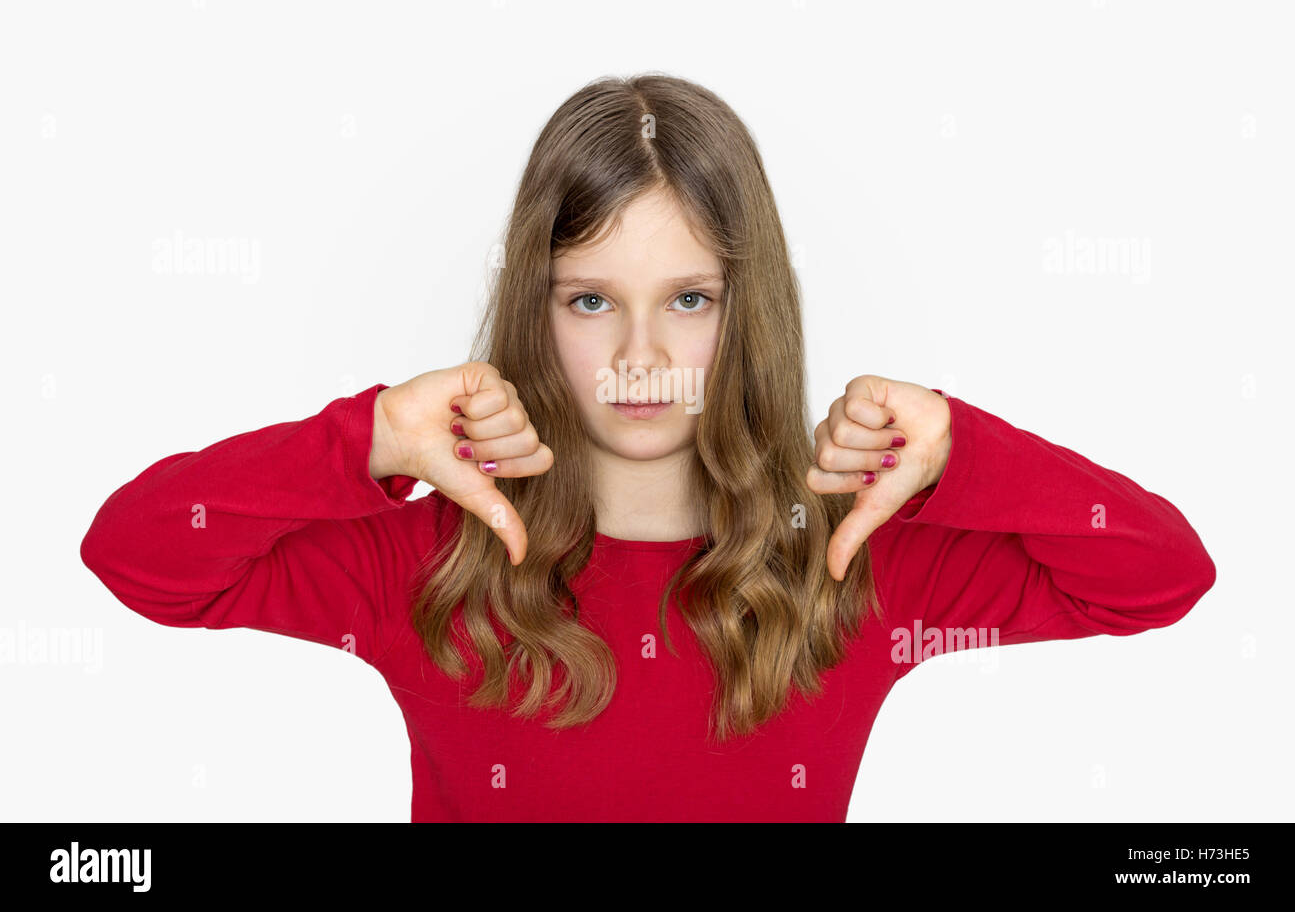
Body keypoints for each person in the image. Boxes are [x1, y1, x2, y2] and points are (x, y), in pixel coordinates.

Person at [80, 73, 1216, 822]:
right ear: (535, 309)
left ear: (747, 309)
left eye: (686, 298)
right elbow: (137, 556)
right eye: (587, 301)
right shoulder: (426, 566)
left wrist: (963, 450)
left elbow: (1161, 575)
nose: (636, 351)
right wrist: (366, 437)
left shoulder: (853, 572)